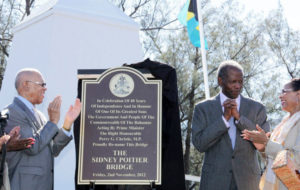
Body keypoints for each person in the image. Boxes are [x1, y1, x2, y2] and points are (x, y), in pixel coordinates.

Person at [192, 60, 270, 190]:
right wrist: (224, 119)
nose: (238, 86)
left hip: (248, 182)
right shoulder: (203, 109)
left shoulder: (257, 108)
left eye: (240, 82)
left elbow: (264, 144)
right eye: (233, 82)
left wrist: (240, 119)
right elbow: (200, 144)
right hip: (214, 182)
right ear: (220, 81)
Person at [4, 68, 81, 190]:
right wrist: (52, 122)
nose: (45, 88)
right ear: (26, 85)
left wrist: (67, 123)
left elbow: (52, 149)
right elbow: (31, 146)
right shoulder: (11, 113)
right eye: (42, 84)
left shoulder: (39, 114)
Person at [242, 78, 300, 190]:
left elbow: (297, 159)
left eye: (285, 92)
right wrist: (263, 148)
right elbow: (272, 160)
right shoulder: (282, 124)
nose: (280, 96)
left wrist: (267, 143)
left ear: (298, 94)